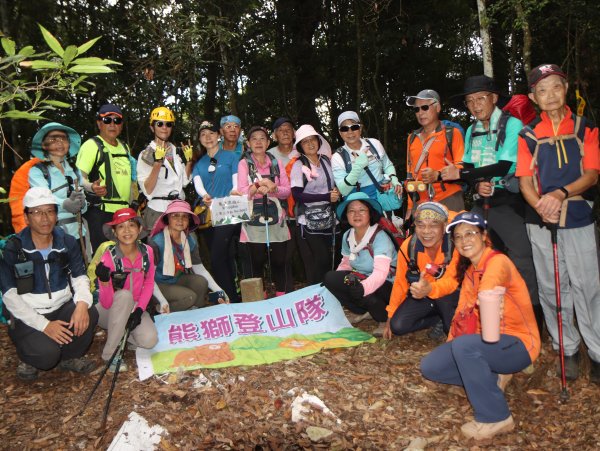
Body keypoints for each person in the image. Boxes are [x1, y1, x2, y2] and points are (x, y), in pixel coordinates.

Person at [421, 211, 540, 441]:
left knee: (465, 348)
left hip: (519, 344)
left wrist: (490, 299)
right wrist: (450, 350)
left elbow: (491, 285)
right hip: (487, 344)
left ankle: (496, 416)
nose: (464, 240)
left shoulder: (498, 261)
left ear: (484, 235)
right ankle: (492, 378)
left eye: (470, 233)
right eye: (458, 237)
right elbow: (461, 315)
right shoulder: (470, 273)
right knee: (431, 367)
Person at [517, 64, 600, 383]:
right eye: (542, 89)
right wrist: (540, 205)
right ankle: (566, 349)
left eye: (556, 87)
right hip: (541, 221)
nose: (550, 94)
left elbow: (591, 174)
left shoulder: (585, 127)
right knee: (553, 288)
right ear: (532, 97)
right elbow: (525, 180)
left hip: (577, 216)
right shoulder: (528, 134)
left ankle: (596, 350)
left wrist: (559, 194)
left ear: (566, 89)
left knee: (587, 286)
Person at [440, 75, 541, 331]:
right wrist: (475, 183)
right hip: (483, 201)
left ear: (494, 98)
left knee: (522, 259)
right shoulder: (473, 129)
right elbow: (473, 166)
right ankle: (478, 316)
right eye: (470, 101)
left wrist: (463, 176)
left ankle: (532, 320)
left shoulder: (513, 124)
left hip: (511, 201)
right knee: (471, 252)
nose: (475, 105)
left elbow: (504, 166)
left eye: (480, 99)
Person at [0, 187, 98, 381]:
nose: (44, 218)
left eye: (50, 211)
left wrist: (81, 305)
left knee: (90, 312)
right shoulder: (14, 247)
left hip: (61, 307)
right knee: (47, 357)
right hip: (27, 314)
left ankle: (69, 357)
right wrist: (44, 326)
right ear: (27, 217)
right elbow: (9, 295)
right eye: (37, 212)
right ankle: (29, 357)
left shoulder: (67, 242)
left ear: (56, 215)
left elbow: (80, 277)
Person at [323, 192, 397, 337]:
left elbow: (381, 274)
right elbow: (345, 264)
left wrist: (362, 288)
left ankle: (383, 317)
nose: (356, 214)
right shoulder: (348, 236)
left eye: (362, 210)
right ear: (346, 215)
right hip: (363, 279)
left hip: (389, 285)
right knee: (330, 278)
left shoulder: (380, 237)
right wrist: (336, 282)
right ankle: (364, 311)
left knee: (360, 287)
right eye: (351, 210)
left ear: (370, 213)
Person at [95, 208, 158, 372]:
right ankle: (110, 355)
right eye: (121, 227)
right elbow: (107, 303)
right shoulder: (109, 257)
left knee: (149, 341)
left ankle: (124, 335)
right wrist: (104, 281)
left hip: (133, 308)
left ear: (139, 229)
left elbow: (149, 283)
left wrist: (138, 311)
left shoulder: (147, 252)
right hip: (108, 311)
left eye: (131, 225)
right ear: (114, 232)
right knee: (124, 296)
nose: (127, 231)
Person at [385, 202, 460, 339]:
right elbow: (400, 282)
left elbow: (453, 282)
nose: (426, 231)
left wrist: (430, 288)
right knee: (398, 325)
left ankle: (451, 324)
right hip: (425, 294)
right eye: (421, 225)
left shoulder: (455, 244)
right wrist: (391, 315)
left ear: (444, 227)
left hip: (451, 295)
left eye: (433, 225)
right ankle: (438, 319)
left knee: (451, 323)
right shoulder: (409, 247)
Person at [237, 126, 291, 296]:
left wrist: (273, 188)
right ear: (248, 143)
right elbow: (242, 191)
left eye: (262, 138)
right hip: (253, 216)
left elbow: (287, 190)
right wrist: (257, 187)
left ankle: (281, 296)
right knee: (257, 260)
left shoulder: (276, 163)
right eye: (254, 139)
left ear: (268, 142)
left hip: (276, 215)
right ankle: (260, 297)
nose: (258, 142)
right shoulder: (244, 164)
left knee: (279, 259)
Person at [192, 120, 241, 303]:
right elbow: (197, 183)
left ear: (218, 135)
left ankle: (229, 298)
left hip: (229, 209)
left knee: (217, 256)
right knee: (224, 256)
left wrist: (235, 191)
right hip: (209, 214)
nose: (208, 137)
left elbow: (236, 178)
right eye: (203, 135)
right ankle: (231, 297)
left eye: (211, 133)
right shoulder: (199, 162)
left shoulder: (231, 156)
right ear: (200, 139)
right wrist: (204, 195)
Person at [149, 200, 228, 311]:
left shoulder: (189, 240)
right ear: (168, 219)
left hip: (176, 279)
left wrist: (219, 291)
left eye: (184, 217)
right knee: (189, 297)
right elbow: (148, 278)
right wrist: (162, 300)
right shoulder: (157, 242)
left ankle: (196, 312)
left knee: (201, 282)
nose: (180, 220)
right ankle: (160, 309)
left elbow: (200, 269)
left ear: (189, 221)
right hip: (158, 285)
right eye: (175, 216)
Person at [76, 103, 135, 252]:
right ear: (99, 123)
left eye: (117, 120)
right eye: (107, 120)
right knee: (102, 258)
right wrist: (91, 187)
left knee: (125, 256)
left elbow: (131, 180)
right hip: (101, 211)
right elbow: (77, 178)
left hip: (124, 213)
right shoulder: (91, 145)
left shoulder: (124, 147)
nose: (112, 124)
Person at [291, 124, 340, 284]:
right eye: (305, 142)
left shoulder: (326, 160)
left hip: (330, 217)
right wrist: (326, 196)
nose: (310, 144)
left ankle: (331, 292)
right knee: (319, 259)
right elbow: (297, 194)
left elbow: (336, 183)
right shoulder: (299, 165)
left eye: (313, 140)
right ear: (300, 146)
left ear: (319, 142)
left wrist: (336, 192)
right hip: (309, 220)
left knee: (335, 257)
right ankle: (316, 295)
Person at [28, 122, 88, 244]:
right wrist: (65, 204)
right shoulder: (37, 172)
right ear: (44, 145)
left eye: (63, 138)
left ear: (69, 144)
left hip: (79, 233)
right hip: (52, 235)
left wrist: (82, 202)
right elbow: (42, 199)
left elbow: (84, 205)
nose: (59, 142)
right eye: (53, 139)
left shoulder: (74, 171)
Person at [405, 89, 465, 212]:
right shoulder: (411, 138)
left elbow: (463, 167)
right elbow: (410, 176)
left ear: (437, 107)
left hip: (449, 198)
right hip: (420, 202)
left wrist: (438, 175)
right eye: (417, 109)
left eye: (425, 107)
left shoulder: (452, 133)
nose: (420, 113)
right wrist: (410, 207)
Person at [137, 106, 193, 234]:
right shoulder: (146, 154)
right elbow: (148, 189)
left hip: (179, 209)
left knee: (184, 250)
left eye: (168, 124)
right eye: (159, 123)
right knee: (159, 251)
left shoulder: (176, 151)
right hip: (158, 210)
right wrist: (157, 163)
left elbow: (184, 182)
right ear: (152, 127)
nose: (164, 127)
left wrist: (189, 161)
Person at [331, 111, 402, 209]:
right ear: (340, 133)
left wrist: (394, 179)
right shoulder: (337, 157)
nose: (350, 132)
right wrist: (358, 167)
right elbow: (343, 190)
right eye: (344, 129)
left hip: (381, 195)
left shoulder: (374, 144)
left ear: (360, 128)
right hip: (358, 202)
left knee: (386, 224)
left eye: (354, 127)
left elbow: (387, 165)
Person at [269, 117, 304, 286]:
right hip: (280, 213)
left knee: (307, 254)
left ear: (294, 133)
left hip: (303, 210)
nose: (285, 132)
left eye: (288, 129)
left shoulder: (302, 153)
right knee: (283, 256)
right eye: (280, 129)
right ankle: (285, 291)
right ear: (274, 135)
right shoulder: (269, 156)